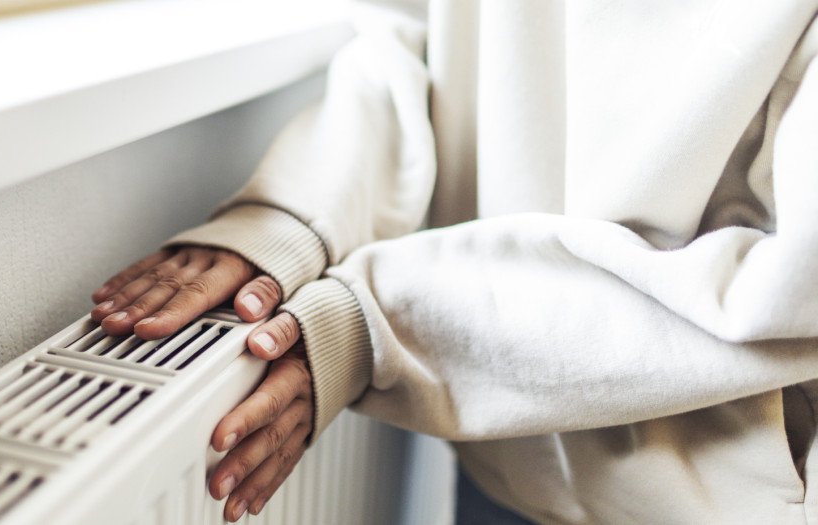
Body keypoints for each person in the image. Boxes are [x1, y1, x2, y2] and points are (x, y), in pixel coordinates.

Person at [90, 1, 818, 523]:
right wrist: (287, 217)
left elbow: (793, 283)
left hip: (720, 497)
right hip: (503, 458)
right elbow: (410, 37)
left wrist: (380, 321)